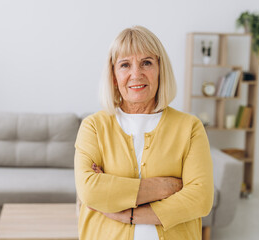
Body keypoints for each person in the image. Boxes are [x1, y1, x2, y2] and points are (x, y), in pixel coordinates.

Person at [74, 25, 214, 240]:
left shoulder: (190, 127)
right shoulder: (93, 126)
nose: (136, 74)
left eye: (146, 63)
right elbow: (90, 192)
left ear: (160, 69)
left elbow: (201, 198)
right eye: (125, 65)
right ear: (113, 76)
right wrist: (163, 187)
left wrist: (129, 214)